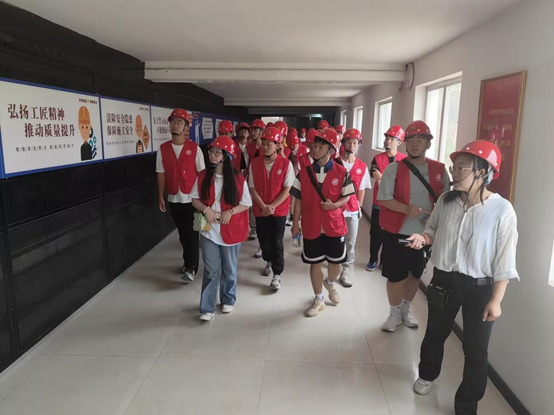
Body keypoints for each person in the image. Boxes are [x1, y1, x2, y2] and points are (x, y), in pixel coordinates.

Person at [407, 141, 518, 415]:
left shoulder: (502, 210)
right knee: (435, 333)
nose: (454, 173)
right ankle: (427, 375)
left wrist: (496, 300)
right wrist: (423, 238)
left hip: (479, 288)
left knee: (476, 350)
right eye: (453, 167)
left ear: (482, 172)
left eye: (461, 168)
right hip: (444, 280)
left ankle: (467, 404)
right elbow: (432, 230)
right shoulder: (446, 201)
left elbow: (504, 259)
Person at [377, 120, 450, 331]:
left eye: (420, 139)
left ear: (428, 143)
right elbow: (384, 198)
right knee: (395, 276)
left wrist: (435, 216)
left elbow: (445, 201)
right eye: (411, 140)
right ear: (405, 143)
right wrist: (406, 209)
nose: (415, 144)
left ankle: (405, 310)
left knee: (415, 275)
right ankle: (393, 313)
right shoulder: (394, 169)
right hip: (397, 232)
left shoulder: (439, 169)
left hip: (424, 235)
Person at [290, 128, 356, 317]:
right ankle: (318, 299)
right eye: (314, 146)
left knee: (336, 264)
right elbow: (298, 199)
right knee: (315, 263)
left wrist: (334, 205)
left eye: (320, 147)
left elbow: (347, 196)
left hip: (334, 225)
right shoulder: (303, 173)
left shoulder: (341, 172)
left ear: (331, 150)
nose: (315, 149)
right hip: (311, 224)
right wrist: (295, 224)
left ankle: (330, 283)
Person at [190, 136, 252, 321]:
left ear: (226, 156)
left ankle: (228, 299)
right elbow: (194, 199)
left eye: (217, 152)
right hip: (209, 230)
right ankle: (207, 307)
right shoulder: (202, 176)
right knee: (211, 269)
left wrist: (230, 212)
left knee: (229, 269)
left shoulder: (238, 180)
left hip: (231, 230)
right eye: (211, 151)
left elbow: (246, 203)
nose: (212, 155)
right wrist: (206, 209)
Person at [157, 108, 205, 282]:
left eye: (179, 122)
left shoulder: (194, 148)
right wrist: (160, 196)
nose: (175, 125)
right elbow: (161, 173)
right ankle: (187, 263)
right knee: (183, 234)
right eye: (173, 122)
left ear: (186, 127)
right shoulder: (163, 149)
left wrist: (203, 199)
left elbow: (202, 174)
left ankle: (192, 267)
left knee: (191, 234)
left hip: (191, 199)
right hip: (173, 198)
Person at [249, 126, 295, 290]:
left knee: (276, 241)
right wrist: (263, 206)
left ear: (277, 145)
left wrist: (272, 207)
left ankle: (277, 273)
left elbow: (287, 189)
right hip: (261, 210)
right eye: (264, 143)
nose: (266, 147)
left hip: (279, 211)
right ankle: (268, 260)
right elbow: (252, 187)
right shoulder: (254, 163)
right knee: (263, 240)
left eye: (269, 144)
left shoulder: (286, 164)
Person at [366, 126, 407, 272]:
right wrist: (389, 179)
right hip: (379, 203)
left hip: (396, 204)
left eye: (392, 139)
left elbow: (402, 183)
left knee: (390, 233)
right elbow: (378, 180)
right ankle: (372, 259)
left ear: (399, 142)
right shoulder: (377, 159)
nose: (388, 141)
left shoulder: (404, 160)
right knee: (376, 233)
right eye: (387, 138)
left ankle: (384, 261)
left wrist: (384, 178)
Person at [334, 128, 371, 287]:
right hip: (336, 207)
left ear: (358, 145)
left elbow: (361, 190)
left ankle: (346, 268)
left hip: (352, 209)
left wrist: (359, 208)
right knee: (336, 238)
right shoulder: (334, 163)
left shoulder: (362, 166)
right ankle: (334, 263)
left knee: (351, 240)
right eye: (348, 142)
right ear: (343, 144)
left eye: (355, 143)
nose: (351, 145)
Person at [246, 119, 266, 246]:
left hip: (265, 180)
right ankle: (254, 229)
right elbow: (246, 165)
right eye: (251, 129)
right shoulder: (249, 148)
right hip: (252, 179)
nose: (252, 132)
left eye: (255, 129)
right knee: (252, 205)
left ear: (261, 131)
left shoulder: (267, 146)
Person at [284, 131, 308, 227]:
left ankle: (297, 214)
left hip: (301, 175)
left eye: (295, 145)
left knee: (299, 196)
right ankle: (291, 215)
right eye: (291, 146)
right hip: (292, 175)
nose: (293, 147)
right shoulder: (287, 150)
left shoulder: (304, 149)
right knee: (292, 196)